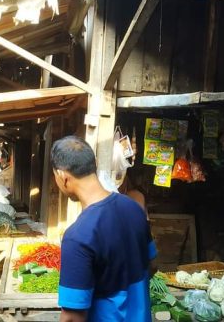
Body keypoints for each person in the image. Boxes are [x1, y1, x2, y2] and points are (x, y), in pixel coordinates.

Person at [51, 136, 156, 322]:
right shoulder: (134, 209)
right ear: (95, 164)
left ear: (62, 176)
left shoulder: (78, 237)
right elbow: (152, 265)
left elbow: (72, 317)